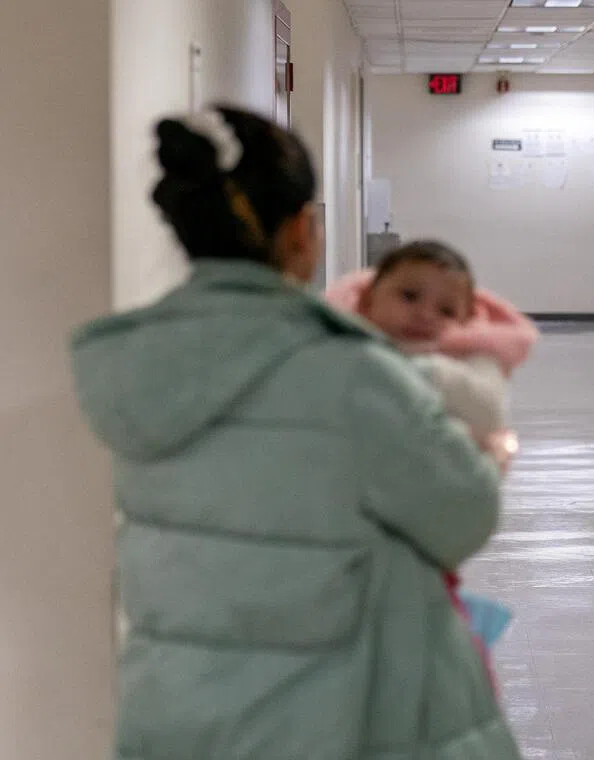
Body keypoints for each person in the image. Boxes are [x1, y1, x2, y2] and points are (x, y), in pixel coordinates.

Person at [70, 106, 522, 759]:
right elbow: (463, 516)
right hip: (338, 714)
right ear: (301, 232)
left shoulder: (139, 368)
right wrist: (490, 454)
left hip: (178, 709)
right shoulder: (353, 374)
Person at [327, 240, 538, 662]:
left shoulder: (465, 358)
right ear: (369, 298)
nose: (425, 315)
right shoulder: (341, 344)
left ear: (465, 319)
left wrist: (414, 372)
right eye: (408, 296)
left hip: (423, 514)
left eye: (446, 311)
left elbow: (487, 409)